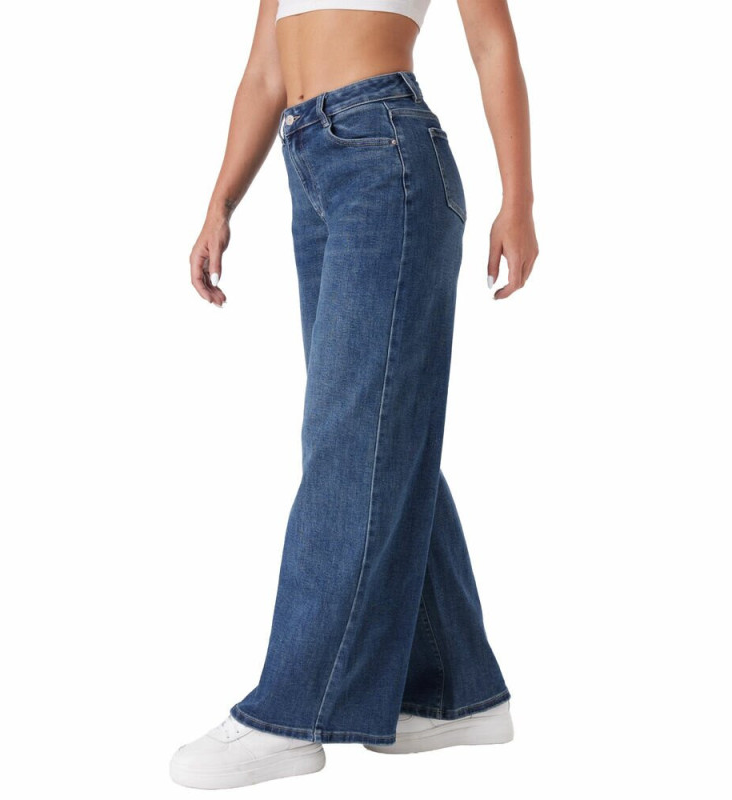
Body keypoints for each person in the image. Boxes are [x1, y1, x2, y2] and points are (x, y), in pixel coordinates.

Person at [172, 0, 539, 789]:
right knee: (379, 431)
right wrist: (219, 203)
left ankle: (291, 713)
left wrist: (520, 200)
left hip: (386, 154)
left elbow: (491, 42)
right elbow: (265, 73)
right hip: (309, 162)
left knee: (351, 438)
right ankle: (457, 693)